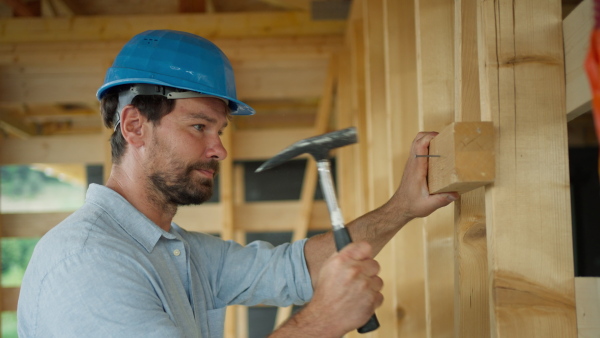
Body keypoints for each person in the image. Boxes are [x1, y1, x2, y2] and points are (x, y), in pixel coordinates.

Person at [17, 30, 457, 338]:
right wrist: (323, 321)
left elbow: (295, 269)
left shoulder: (178, 251)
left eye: (219, 131)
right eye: (198, 127)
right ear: (134, 126)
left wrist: (403, 205)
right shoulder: (87, 262)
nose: (219, 150)